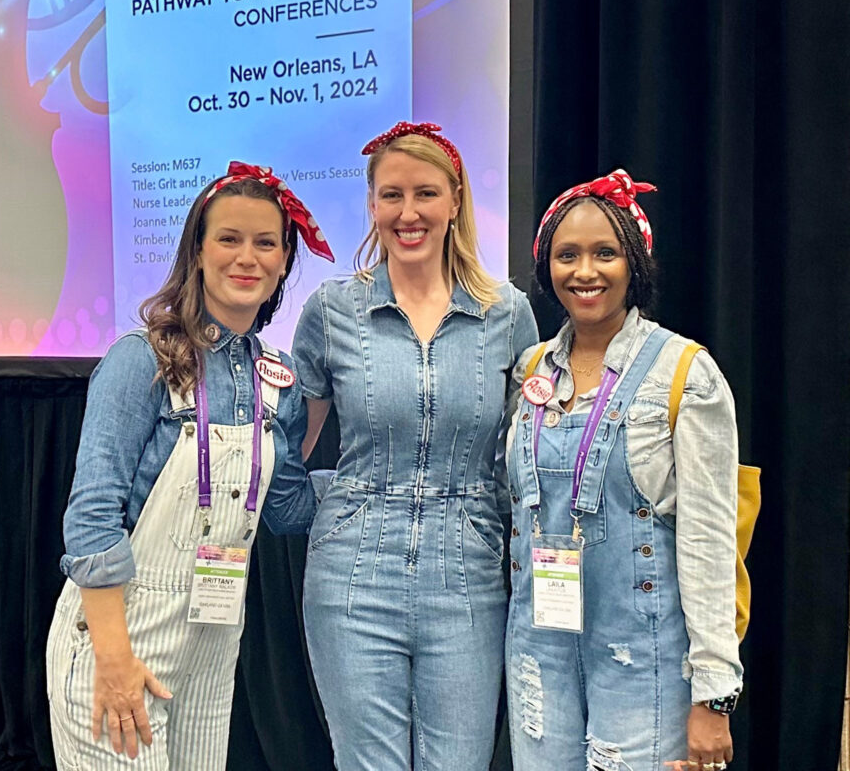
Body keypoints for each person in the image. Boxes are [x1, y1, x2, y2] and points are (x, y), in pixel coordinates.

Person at [46, 162, 334, 769]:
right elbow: (93, 517)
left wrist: (372, 484)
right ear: (197, 251)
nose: (246, 257)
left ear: (285, 259)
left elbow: (287, 510)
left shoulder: (275, 382)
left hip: (213, 638)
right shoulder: (140, 360)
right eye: (228, 239)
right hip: (119, 634)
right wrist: (115, 657)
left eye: (265, 243)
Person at [293, 121, 538, 769]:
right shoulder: (331, 310)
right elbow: (293, 443)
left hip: (468, 574)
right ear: (372, 204)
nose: (409, 213)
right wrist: (317, 502)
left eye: (425, 193)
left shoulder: (507, 314)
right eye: (391, 195)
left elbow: (527, 453)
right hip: (352, 571)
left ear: (455, 200)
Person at [505, 170, 742, 771]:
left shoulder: (686, 373)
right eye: (567, 255)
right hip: (539, 650)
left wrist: (714, 693)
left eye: (604, 253)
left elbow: (710, 543)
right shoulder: (531, 371)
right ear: (546, 266)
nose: (585, 271)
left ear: (634, 263)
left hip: (644, 661)